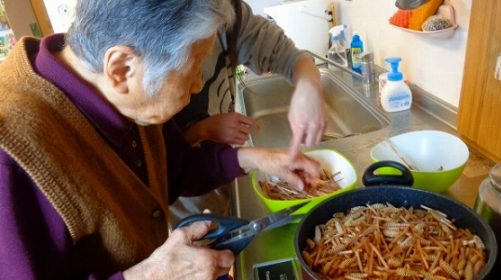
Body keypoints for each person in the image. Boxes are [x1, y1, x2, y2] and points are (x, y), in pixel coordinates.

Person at [0, 0, 320, 279]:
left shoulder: (128, 97)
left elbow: (172, 169)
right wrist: (152, 275)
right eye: (193, 66)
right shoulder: (12, 153)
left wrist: (255, 159)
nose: (197, 85)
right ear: (122, 67)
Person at [170, 0, 327, 218]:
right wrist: (201, 130)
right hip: (188, 196)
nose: (196, 84)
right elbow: (166, 167)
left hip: (225, 163)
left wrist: (309, 87)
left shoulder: (230, 14)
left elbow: (292, 57)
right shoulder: (157, 37)